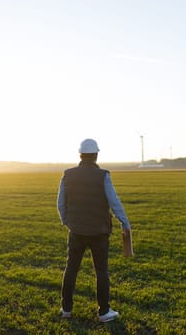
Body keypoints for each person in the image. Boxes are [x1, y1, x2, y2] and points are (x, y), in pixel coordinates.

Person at [57, 138, 131, 323]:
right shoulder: (103, 175)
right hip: (99, 232)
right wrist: (125, 222)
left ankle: (66, 309)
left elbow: (60, 203)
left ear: (80, 155)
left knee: (71, 269)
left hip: (76, 231)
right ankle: (104, 312)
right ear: (96, 155)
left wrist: (67, 222)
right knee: (101, 272)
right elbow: (114, 202)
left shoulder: (67, 174)